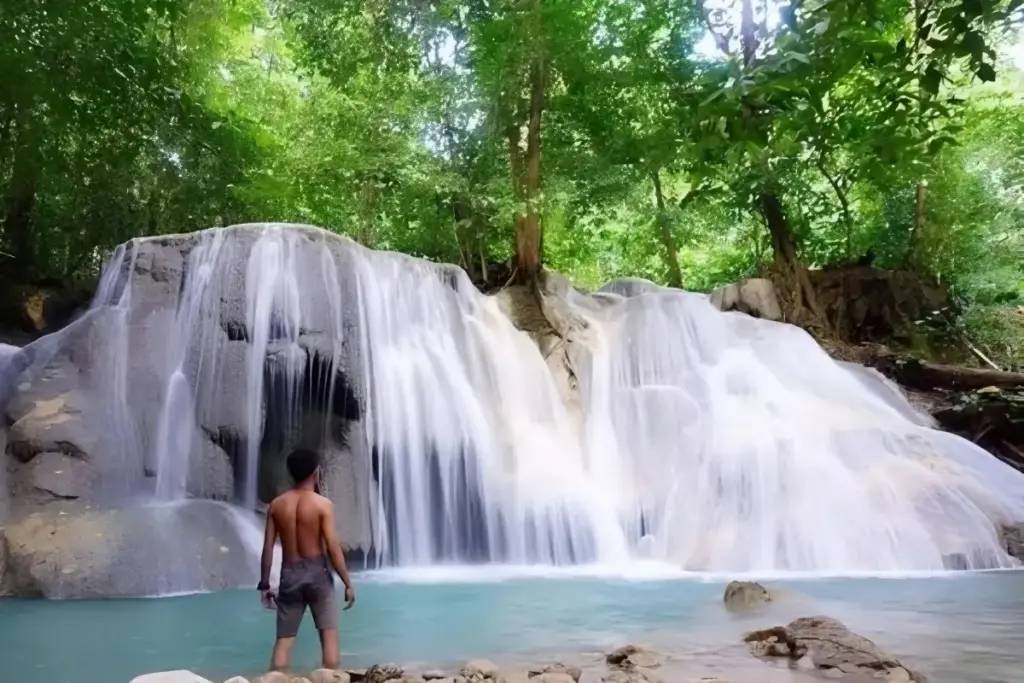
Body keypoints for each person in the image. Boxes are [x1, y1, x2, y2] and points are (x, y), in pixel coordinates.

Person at [258, 447, 356, 671]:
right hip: (318, 574)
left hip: (289, 574)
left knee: (284, 639)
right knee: (328, 634)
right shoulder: (323, 505)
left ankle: (276, 678)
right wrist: (348, 583)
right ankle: (329, 677)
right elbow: (332, 547)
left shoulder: (277, 505)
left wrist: (264, 585)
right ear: (316, 471)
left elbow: (268, 549)